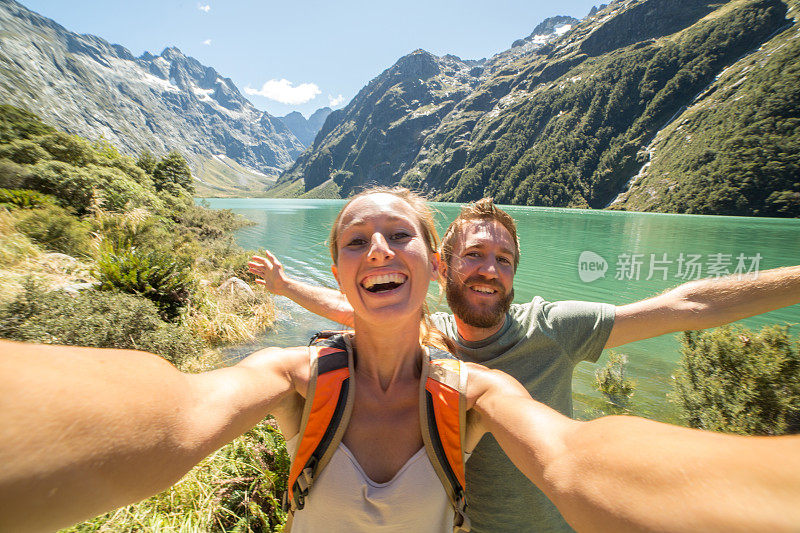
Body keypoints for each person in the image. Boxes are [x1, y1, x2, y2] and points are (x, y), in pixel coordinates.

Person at [2, 187, 800, 532]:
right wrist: (288, 287)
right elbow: (175, 410)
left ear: (428, 266)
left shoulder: (483, 375)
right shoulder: (301, 375)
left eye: (399, 235)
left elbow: (575, 454)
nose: (379, 248)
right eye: (357, 239)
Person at [248, 197, 800, 532]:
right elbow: (353, 304)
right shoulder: (426, 335)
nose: (490, 270)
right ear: (441, 268)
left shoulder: (556, 327)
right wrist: (283, 285)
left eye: (504, 260)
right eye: (475, 256)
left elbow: (687, 305)